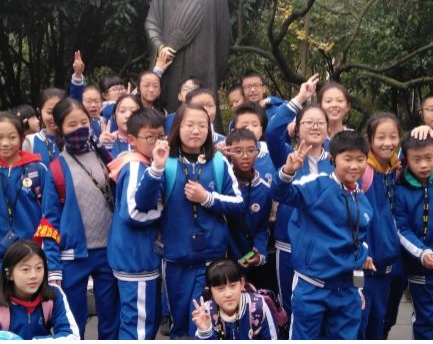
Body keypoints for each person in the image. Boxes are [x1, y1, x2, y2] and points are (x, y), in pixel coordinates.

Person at [133, 102, 243, 338]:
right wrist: (156, 167)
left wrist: (207, 198)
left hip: (212, 260)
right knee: (181, 325)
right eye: (189, 125)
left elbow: (238, 203)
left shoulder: (218, 161)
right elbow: (143, 204)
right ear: (177, 127)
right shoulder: (167, 162)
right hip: (177, 260)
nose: (196, 131)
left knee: (209, 323)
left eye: (202, 125)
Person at [272, 130, 374, 340]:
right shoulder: (316, 185)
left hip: (346, 290)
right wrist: (288, 171)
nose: (354, 166)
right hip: (311, 285)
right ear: (332, 158)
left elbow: (359, 246)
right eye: (348, 159)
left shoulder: (363, 201)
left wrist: (358, 289)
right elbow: (280, 193)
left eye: (360, 159)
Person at [46, 97, 119, 338]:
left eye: (83, 122)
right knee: (73, 319)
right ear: (59, 128)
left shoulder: (105, 157)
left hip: (108, 251)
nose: (79, 128)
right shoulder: (56, 168)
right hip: (73, 256)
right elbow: (49, 220)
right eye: (72, 124)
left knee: (110, 316)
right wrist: (53, 267)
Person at [264, 75, 331, 320]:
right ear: (297, 128)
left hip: (325, 245)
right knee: (290, 306)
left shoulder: (336, 161)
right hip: (289, 243)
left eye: (320, 123)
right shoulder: (286, 155)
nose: (314, 127)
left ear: (327, 129)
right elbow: (272, 132)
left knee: (322, 308)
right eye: (308, 122)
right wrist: (301, 98)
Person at [106, 108, 166, 339]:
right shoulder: (135, 166)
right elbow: (131, 214)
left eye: (160, 136)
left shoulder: (144, 163)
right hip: (136, 258)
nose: (157, 142)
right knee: (138, 326)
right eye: (150, 137)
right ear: (131, 139)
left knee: (143, 320)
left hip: (136, 257)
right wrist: (163, 212)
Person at [0, 113, 60, 286]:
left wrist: (53, 264)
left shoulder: (38, 169)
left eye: (12, 137)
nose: (5, 143)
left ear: (22, 138)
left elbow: (50, 216)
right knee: (1, 302)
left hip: (32, 258)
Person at [358, 113, 402, 339]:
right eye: (381, 137)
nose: (387, 143)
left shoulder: (396, 169)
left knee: (380, 318)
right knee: (361, 318)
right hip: (364, 265)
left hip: (387, 264)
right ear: (370, 139)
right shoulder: (363, 171)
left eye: (393, 136)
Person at [393, 134, 433, 340]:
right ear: (406, 160)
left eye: (429, 157)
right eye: (416, 159)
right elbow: (402, 229)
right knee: (425, 320)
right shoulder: (401, 191)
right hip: (420, 268)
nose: (424, 165)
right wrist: (422, 252)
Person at [0, 240, 80, 339]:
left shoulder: (54, 294)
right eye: (25, 269)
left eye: (39, 268)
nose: (34, 275)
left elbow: (72, 336)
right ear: (9, 274)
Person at [224, 129, 272, 282]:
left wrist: (259, 253)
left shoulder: (264, 190)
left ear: (257, 153)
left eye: (251, 150)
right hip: (220, 258)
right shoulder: (221, 183)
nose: (245, 156)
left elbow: (262, 227)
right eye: (238, 151)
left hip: (245, 260)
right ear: (228, 153)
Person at [192, 259, 280, 340]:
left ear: (242, 284)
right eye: (220, 288)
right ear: (209, 290)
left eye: (233, 286)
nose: (228, 294)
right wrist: (205, 331)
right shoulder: (206, 313)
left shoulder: (259, 307)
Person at [24, 88, 66, 166]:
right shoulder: (30, 141)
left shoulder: (73, 139)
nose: (54, 117)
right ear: (40, 111)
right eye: (50, 112)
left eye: (60, 111)